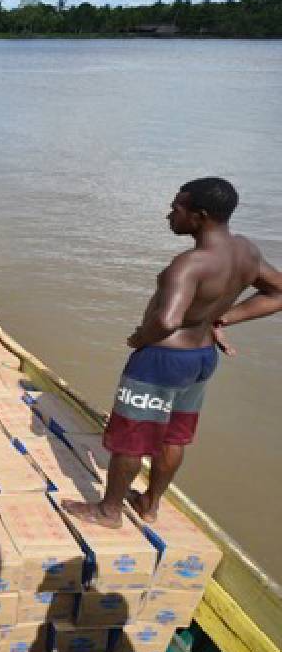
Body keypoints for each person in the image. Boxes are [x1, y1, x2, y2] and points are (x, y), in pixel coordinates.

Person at [64, 178, 282, 528]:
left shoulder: (190, 264)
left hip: (161, 361)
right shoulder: (246, 251)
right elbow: (278, 292)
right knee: (172, 435)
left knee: (131, 438)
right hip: (201, 358)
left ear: (200, 216)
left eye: (176, 208)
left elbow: (167, 320)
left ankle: (108, 511)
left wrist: (140, 338)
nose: (170, 214)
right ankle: (149, 504)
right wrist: (222, 317)